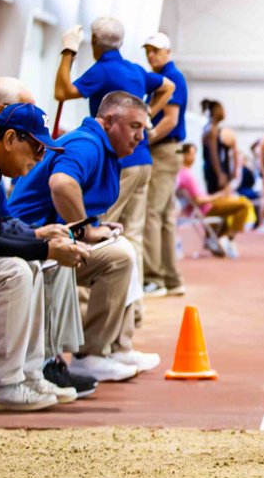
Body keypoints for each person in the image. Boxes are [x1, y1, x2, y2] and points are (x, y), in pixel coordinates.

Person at [8, 92, 161, 382]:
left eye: (143, 128)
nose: (140, 136)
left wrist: (97, 227)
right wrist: (86, 231)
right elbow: (62, 184)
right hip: (29, 239)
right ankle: (90, 354)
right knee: (119, 257)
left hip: (46, 238)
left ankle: (116, 347)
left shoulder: (103, 149)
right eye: (134, 126)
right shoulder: (87, 143)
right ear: (109, 121)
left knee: (122, 249)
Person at [0, 78, 98, 399]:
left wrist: (38, 236)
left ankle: (29, 372)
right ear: (10, 138)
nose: (41, 157)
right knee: (17, 272)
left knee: (28, 267)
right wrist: (47, 249)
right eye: (36, 147)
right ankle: (2, 382)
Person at [54, 18, 175, 288]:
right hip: (143, 160)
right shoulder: (134, 70)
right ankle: (134, 309)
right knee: (132, 233)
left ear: (95, 42)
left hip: (120, 162)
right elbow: (168, 86)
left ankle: (88, 306)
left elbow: (61, 91)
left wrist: (68, 52)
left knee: (100, 233)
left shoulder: (102, 71)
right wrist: (147, 116)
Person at [140, 32, 188, 298]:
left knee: (151, 214)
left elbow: (170, 119)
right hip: (168, 151)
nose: (151, 55)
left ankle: (155, 278)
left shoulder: (172, 79)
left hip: (163, 151)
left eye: (156, 51)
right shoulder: (167, 78)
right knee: (166, 217)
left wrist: (146, 138)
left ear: (168, 52)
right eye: (148, 50)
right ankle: (171, 278)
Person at [175, 144, 250, 257]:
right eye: (192, 154)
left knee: (237, 204)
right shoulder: (186, 175)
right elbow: (199, 200)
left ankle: (215, 237)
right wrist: (217, 196)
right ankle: (229, 237)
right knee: (244, 204)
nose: (194, 157)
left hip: (207, 204)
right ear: (184, 155)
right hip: (206, 208)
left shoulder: (184, 173)